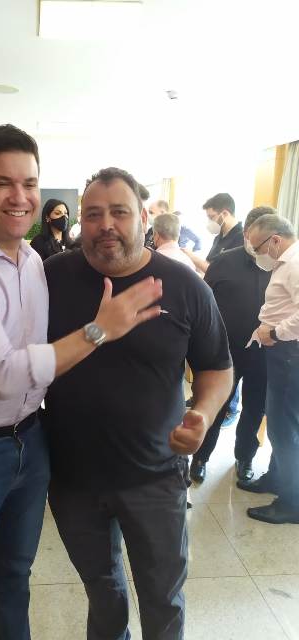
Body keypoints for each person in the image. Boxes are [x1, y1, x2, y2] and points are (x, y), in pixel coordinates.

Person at [0, 125, 164, 640]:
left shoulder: (33, 261)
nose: (20, 197)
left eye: (29, 183)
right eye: (2, 183)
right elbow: (4, 375)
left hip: (31, 440)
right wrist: (99, 330)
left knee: (16, 576)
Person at [43, 167, 233, 640]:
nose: (105, 224)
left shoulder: (185, 286)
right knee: (102, 590)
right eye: (93, 214)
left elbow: (217, 366)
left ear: (144, 218)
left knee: (162, 595)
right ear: (80, 221)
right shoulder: (51, 278)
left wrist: (203, 414)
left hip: (155, 475)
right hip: (73, 478)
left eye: (119, 212)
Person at [189, 207, 273, 484]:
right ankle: (201, 457)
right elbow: (204, 305)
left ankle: (245, 457)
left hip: (264, 353)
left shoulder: (281, 264)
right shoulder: (224, 261)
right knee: (216, 405)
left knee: (255, 408)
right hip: (226, 352)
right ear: (247, 232)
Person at [244, 214, 299, 524]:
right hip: (283, 353)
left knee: (284, 428)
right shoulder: (285, 263)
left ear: (275, 239)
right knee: (281, 424)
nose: (257, 254)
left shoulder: (295, 263)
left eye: (258, 248)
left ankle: (292, 503)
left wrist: (275, 332)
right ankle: (277, 478)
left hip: (290, 352)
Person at [184, 192, 243, 275]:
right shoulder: (218, 237)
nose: (210, 222)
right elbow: (208, 264)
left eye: (212, 217)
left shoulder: (241, 239)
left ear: (225, 214)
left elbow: (222, 273)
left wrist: (192, 257)